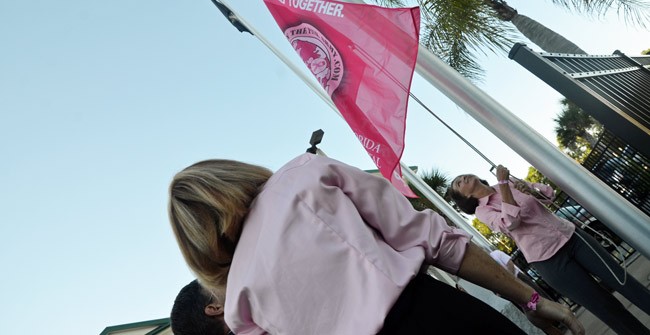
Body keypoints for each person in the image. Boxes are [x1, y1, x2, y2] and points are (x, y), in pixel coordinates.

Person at [169, 153, 583, 334]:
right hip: (437, 316)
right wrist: (531, 302)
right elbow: (435, 239)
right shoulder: (303, 175)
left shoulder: (239, 301)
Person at [448, 165, 650, 335]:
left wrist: (528, 188)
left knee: (623, 281)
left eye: (461, 177)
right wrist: (503, 186)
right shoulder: (482, 211)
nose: (461, 178)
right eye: (458, 183)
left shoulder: (509, 183)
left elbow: (547, 195)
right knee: (605, 307)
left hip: (571, 237)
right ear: (465, 196)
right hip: (549, 261)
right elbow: (511, 222)